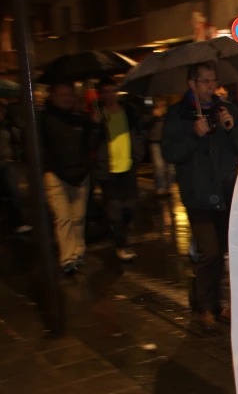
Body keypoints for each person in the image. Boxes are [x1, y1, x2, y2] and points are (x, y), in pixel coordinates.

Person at [162, 61, 238, 330]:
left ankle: (214, 304)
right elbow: (170, 153)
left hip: (226, 191)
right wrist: (194, 134)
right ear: (192, 84)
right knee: (209, 251)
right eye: (205, 81)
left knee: (221, 251)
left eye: (214, 80)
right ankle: (203, 306)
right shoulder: (179, 114)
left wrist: (232, 128)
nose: (211, 86)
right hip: (198, 193)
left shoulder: (227, 109)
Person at [41, 82, 98, 273]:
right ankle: (68, 258)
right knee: (63, 217)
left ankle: (77, 253)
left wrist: (95, 125)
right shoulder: (43, 119)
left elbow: (91, 143)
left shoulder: (80, 119)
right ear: (53, 96)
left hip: (80, 174)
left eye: (70, 94)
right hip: (55, 175)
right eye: (62, 94)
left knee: (78, 217)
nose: (67, 98)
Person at [95, 78, 146, 262]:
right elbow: (91, 142)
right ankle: (121, 244)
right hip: (108, 170)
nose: (110, 95)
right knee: (114, 208)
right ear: (102, 95)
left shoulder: (128, 112)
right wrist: (95, 124)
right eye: (106, 92)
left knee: (130, 208)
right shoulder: (98, 116)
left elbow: (139, 133)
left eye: (112, 90)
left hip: (128, 167)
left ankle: (120, 235)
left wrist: (137, 156)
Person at [0, 101, 31, 235]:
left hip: (7, 163)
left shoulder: (8, 125)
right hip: (5, 163)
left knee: (14, 192)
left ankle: (18, 222)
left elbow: (15, 142)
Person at [146, 97, 174, 196]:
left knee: (171, 168)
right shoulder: (151, 111)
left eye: (163, 100)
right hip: (155, 142)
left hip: (168, 142)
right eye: (159, 100)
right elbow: (145, 125)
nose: (162, 102)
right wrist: (154, 116)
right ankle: (160, 188)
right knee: (159, 166)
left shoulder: (171, 111)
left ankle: (169, 187)